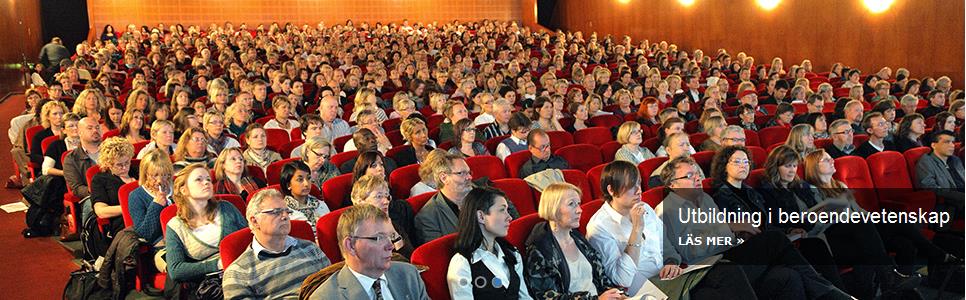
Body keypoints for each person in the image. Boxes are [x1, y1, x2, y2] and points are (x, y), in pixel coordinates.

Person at [657, 156, 852, 299]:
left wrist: (740, 236)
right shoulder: (668, 209)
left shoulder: (705, 199)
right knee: (773, 239)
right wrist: (730, 227)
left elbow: (724, 238)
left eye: (698, 174)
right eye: (689, 176)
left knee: (788, 277)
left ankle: (829, 292)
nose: (698, 178)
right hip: (711, 269)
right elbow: (689, 251)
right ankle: (831, 294)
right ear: (673, 184)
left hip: (729, 254)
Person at [222, 189, 331, 299]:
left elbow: (336, 286)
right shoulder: (238, 273)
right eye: (276, 212)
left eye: (287, 211)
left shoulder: (310, 248)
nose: (285, 216)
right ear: (255, 221)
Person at [524, 183, 625, 299]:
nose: (579, 210)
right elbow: (547, 296)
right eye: (571, 204)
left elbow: (602, 279)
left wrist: (618, 294)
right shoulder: (540, 249)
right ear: (553, 208)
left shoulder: (578, 238)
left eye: (578, 204)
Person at [309, 204, 429, 299]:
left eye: (390, 236)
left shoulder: (409, 275)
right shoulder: (326, 297)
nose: (390, 246)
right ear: (350, 245)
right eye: (379, 238)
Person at [164, 163, 248, 297]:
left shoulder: (226, 208)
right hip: (210, 284)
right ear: (183, 189)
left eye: (208, 179)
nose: (206, 183)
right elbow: (175, 270)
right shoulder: (175, 226)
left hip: (243, 270)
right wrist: (217, 264)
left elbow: (249, 239)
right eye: (199, 179)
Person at [447, 186, 533, 299]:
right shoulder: (462, 262)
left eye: (507, 210)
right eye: (502, 210)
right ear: (481, 216)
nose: (510, 217)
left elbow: (524, 297)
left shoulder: (512, 253)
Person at [351, 174, 417, 258]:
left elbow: (410, 258)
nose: (386, 201)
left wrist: (394, 234)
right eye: (378, 196)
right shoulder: (354, 231)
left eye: (386, 196)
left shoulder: (390, 223)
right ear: (360, 202)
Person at [414, 152, 472, 245]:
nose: (469, 177)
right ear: (444, 178)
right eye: (461, 173)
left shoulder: (479, 198)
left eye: (469, 172)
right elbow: (440, 253)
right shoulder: (428, 217)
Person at [91, 137, 137, 240]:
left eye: (127, 162)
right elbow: (101, 211)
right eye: (119, 165)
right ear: (108, 163)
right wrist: (129, 208)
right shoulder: (100, 179)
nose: (125, 168)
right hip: (122, 223)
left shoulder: (137, 171)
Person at [127, 148, 174, 246]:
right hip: (160, 242)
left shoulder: (177, 188)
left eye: (164, 175)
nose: (159, 180)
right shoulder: (136, 196)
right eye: (154, 176)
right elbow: (144, 235)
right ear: (145, 174)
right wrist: (156, 206)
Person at [915, 130, 965, 214]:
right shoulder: (926, 161)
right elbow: (930, 188)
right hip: (949, 204)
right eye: (947, 142)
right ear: (934, 145)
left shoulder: (955, 160)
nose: (952, 145)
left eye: (953, 142)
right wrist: (962, 196)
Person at [280, 161, 330, 227]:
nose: (306, 184)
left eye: (308, 178)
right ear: (288, 185)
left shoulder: (320, 204)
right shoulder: (283, 212)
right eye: (300, 180)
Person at [29, 101, 68, 176]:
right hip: (51, 171)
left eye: (61, 113)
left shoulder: (71, 133)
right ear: (47, 117)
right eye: (55, 114)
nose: (59, 117)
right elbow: (34, 156)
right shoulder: (40, 136)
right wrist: (50, 160)